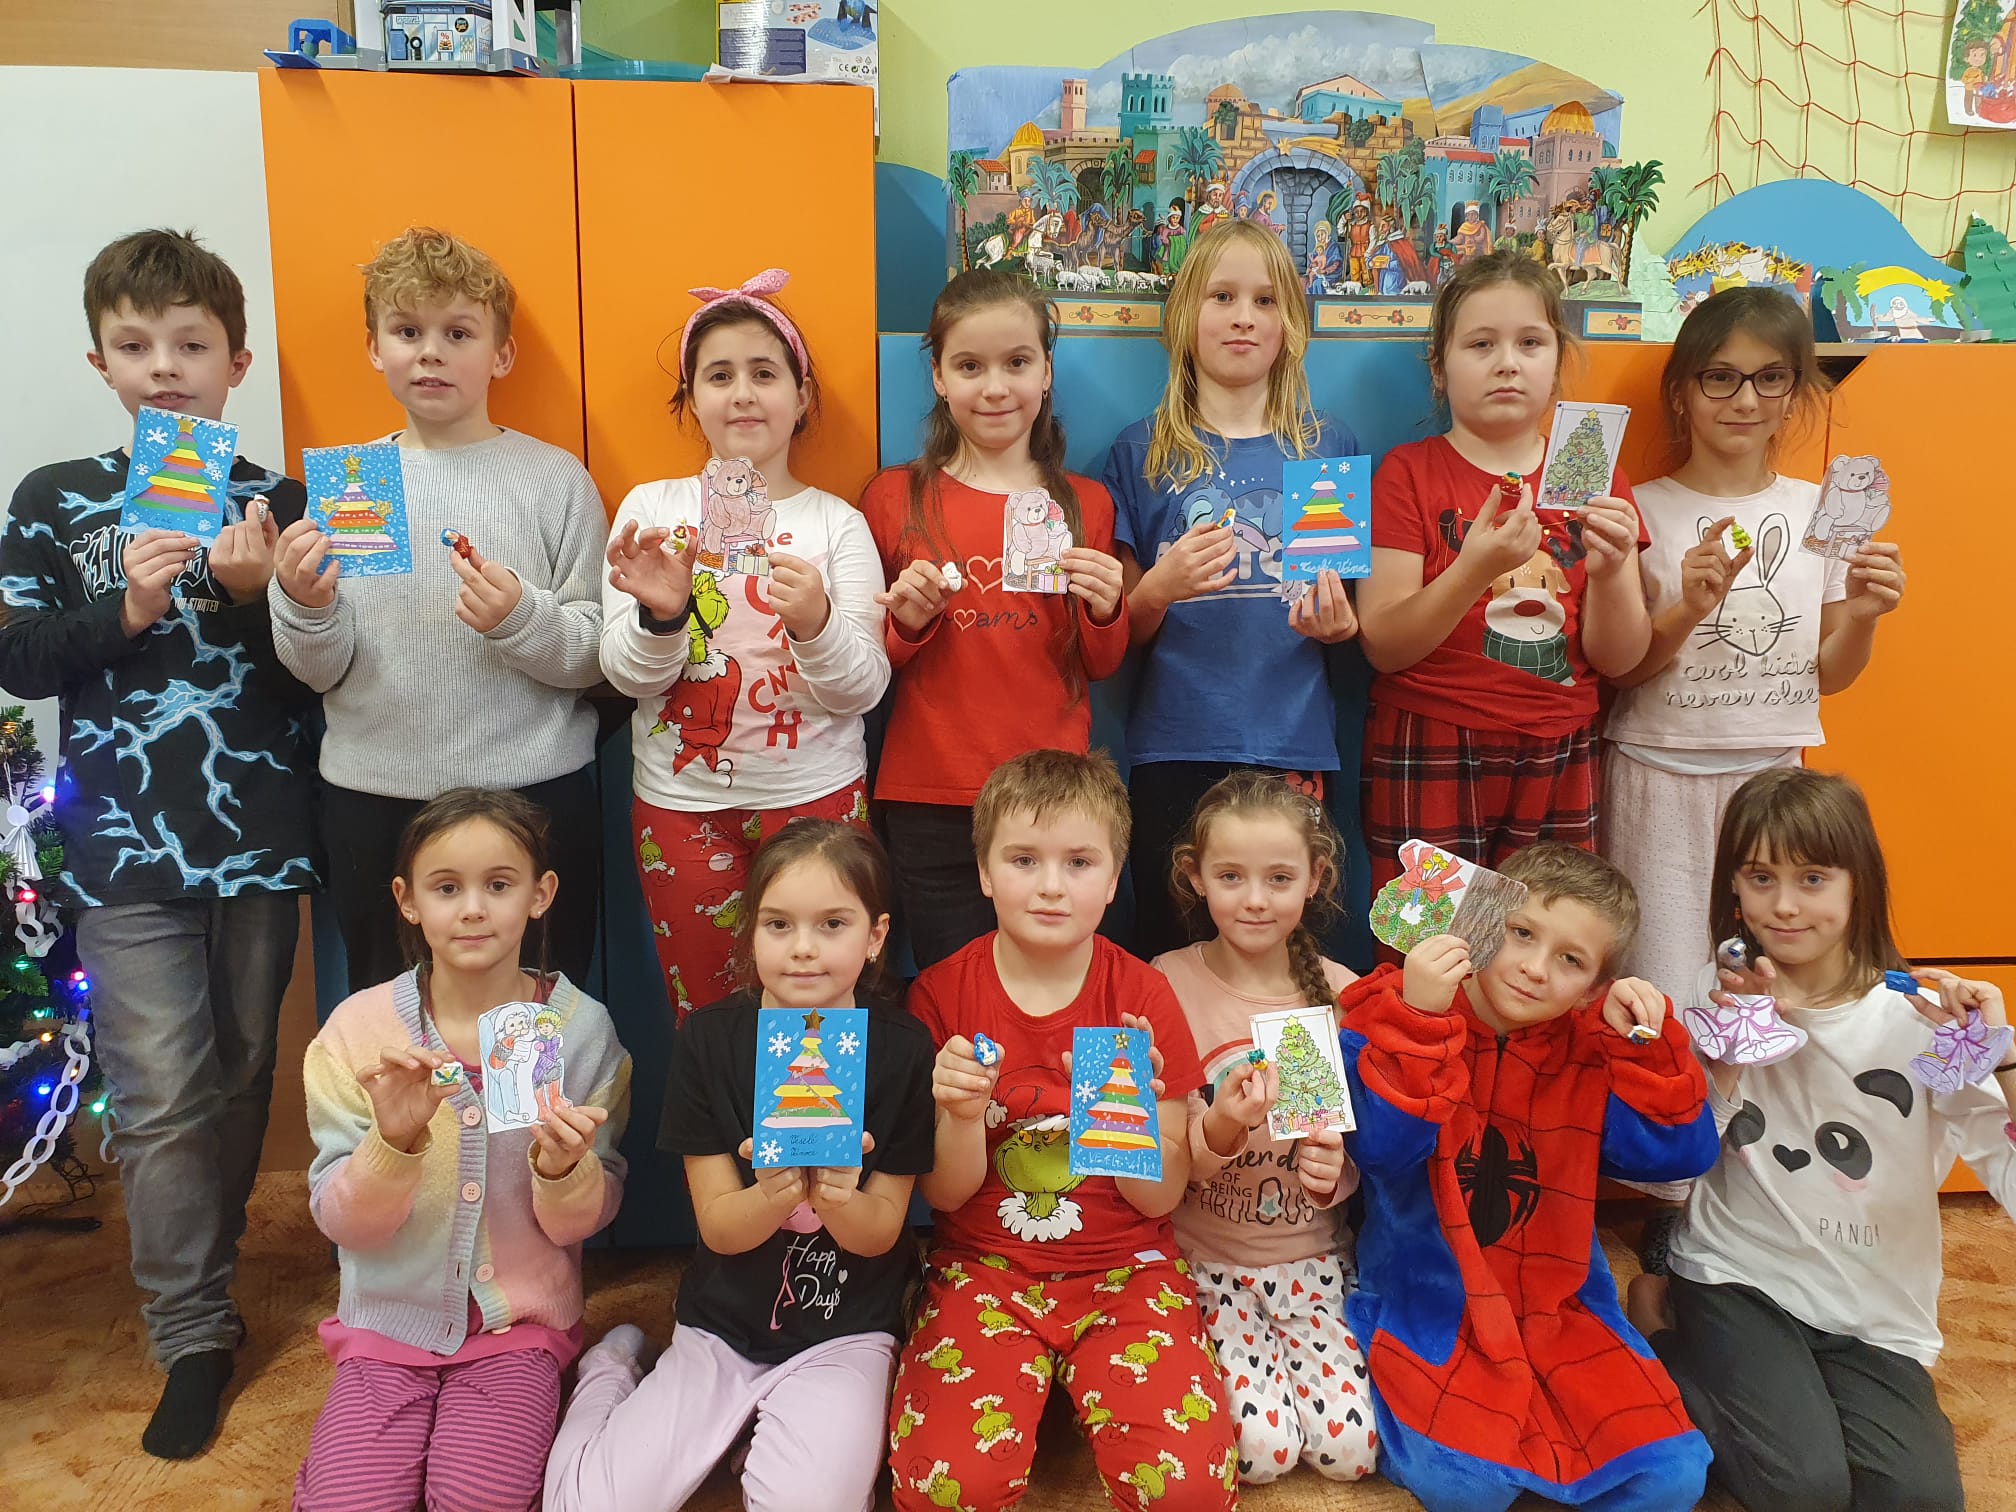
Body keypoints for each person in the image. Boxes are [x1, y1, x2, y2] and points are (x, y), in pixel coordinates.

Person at [0, 227, 317, 1458]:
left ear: (237, 362)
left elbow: (322, 682)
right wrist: (128, 606)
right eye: (137, 347)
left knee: (238, 1074)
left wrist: (253, 602)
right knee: (158, 1094)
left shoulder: (282, 502)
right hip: (122, 852)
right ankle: (191, 1330)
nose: (165, 369)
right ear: (101, 363)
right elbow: (20, 658)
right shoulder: (52, 499)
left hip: (258, 842)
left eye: (191, 345)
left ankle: (209, 1262)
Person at [1624, 769, 2006, 1512]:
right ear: (1733, 888)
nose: (1785, 906)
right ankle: (1659, 1325)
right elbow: (1684, 1151)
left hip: (1872, 1309)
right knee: (1802, 1487)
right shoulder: (1721, 990)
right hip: (1736, 1273)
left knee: (1917, 1500)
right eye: (1760, 877)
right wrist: (1732, 1050)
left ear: (1859, 883)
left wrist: (2004, 1059)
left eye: (1813, 878)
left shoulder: (1923, 1020)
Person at [547, 820, 934, 1512]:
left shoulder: (904, 1049)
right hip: (720, 1327)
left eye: (833, 924)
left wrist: (839, 1198)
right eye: (779, 925)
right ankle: (610, 1372)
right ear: (751, 933)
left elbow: (880, 1234)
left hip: (845, 1331)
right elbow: (721, 1228)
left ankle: (768, 1431)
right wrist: (774, 1194)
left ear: (876, 937)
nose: (804, 948)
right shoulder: (709, 1040)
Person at [888, 751, 1237, 1511]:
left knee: (1188, 1492)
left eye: (1079, 862)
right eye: (1024, 860)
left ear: (1113, 881)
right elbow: (944, 1195)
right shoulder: (941, 995)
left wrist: (1132, 1122)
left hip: (1127, 1268)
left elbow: (1158, 1202)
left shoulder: (1142, 995)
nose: (1051, 885)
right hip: (984, 1268)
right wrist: (958, 1115)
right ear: (984, 873)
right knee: (946, 1488)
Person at [269, 226, 607, 989]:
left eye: (457, 333)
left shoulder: (555, 480)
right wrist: (304, 606)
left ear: (501, 355)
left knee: (534, 1022)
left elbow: (595, 653)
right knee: (393, 1023)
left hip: (531, 795)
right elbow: (320, 672)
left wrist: (521, 619)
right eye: (407, 332)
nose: (430, 353)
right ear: (374, 348)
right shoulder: (353, 484)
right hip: (376, 800)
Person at [1340, 844, 1718, 1511]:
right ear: (1481, 919)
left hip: (1561, 1307)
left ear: (1595, 987)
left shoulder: (1592, 1051)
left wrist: (1648, 1048)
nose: (1535, 969)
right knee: (1467, 1486)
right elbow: (1380, 1152)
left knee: (1674, 1475)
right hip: (1432, 1300)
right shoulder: (1393, 1013)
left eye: (1571, 960)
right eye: (1521, 933)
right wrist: (1422, 1021)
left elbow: (1677, 1158)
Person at [293, 789, 630, 1511]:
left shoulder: (581, 1032)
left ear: (540, 895)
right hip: (385, 1328)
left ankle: (607, 1374)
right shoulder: (357, 1032)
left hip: (519, 1330)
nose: (473, 909)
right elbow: (343, 1224)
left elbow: (583, 1223)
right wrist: (393, 1143)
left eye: (499, 885)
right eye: (446, 888)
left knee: (479, 1498)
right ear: (407, 901)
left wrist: (565, 1171)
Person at [1602, 287, 1906, 1004]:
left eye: (1770, 378)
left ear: (1794, 392)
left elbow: (1830, 674)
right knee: (1662, 989)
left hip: (1774, 780)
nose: (1745, 400)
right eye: (1720, 377)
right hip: (1657, 775)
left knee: (1774, 988)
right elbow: (1623, 670)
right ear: (1681, 393)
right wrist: (1688, 607)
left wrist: (1864, 617)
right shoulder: (1641, 508)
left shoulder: (1820, 509)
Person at [600, 269, 888, 1017]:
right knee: (708, 1017)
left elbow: (863, 688)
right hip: (681, 809)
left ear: (802, 395)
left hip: (817, 800)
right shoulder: (652, 509)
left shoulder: (837, 523)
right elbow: (626, 676)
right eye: (719, 375)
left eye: (765, 373)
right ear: (691, 397)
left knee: (820, 1007)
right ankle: (718, 1109)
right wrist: (664, 617)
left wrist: (817, 624)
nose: (743, 394)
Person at [1357, 250, 1650, 924]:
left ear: (1558, 359)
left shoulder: (1593, 474)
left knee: (1547, 944)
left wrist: (1611, 572)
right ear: (1439, 368)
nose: (1508, 363)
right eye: (1481, 344)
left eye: (1530, 343)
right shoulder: (1409, 472)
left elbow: (1621, 659)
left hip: (1560, 743)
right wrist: (1472, 571)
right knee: (1424, 945)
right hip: (1430, 737)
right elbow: (1383, 644)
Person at [1105, 219, 1362, 962]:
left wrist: (1337, 627)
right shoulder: (1141, 450)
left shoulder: (1324, 447)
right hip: (1175, 746)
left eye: (1265, 300)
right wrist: (1160, 588)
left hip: (1292, 742)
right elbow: (1123, 631)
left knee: (1290, 956)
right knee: (1174, 951)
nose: (1244, 316)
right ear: (1186, 316)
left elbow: (1344, 617)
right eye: (1222, 296)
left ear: (1291, 326)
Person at [860, 270, 1125, 970]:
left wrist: (1106, 608)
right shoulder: (893, 497)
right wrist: (908, 624)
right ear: (939, 377)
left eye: (1017, 363)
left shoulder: (1087, 504)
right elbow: (869, 662)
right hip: (930, 791)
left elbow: (1101, 664)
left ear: (1046, 371)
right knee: (951, 987)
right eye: (970, 366)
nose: (996, 387)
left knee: (1050, 982)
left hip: (1052, 793)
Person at [1157, 772, 1376, 1484]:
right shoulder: (1165, 982)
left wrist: (1335, 1171)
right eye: (1231, 876)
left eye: (1279, 878)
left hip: (1313, 1260)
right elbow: (1163, 1160)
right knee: (1260, 1452)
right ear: (1195, 877)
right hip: (1205, 1260)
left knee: (1350, 1454)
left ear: (1316, 879)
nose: (1255, 899)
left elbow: (1363, 1153)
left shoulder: (1343, 993)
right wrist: (1221, 1125)